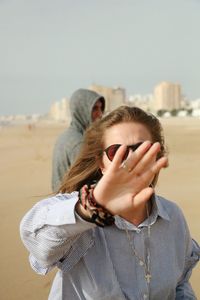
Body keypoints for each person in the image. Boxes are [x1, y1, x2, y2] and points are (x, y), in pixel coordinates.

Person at [20, 106, 200, 300]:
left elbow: (180, 283)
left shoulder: (172, 217)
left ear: (157, 154)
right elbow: (37, 242)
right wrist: (93, 207)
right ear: (101, 164)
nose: (131, 159)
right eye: (117, 151)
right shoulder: (80, 222)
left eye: (142, 149)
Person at [52, 88, 105, 192]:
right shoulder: (78, 143)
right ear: (81, 110)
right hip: (70, 203)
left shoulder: (66, 136)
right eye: (94, 109)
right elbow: (88, 184)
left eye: (101, 108)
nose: (100, 114)